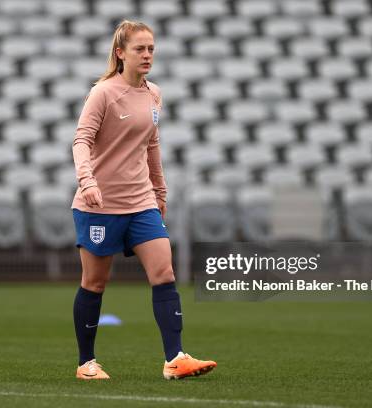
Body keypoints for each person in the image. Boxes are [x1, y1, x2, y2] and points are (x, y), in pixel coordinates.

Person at [71, 20, 217, 380]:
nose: (148, 54)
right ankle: (86, 363)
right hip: (100, 205)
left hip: (142, 203)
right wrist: (87, 181)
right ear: (121, 53)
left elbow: (151, 144)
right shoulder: (103, 93)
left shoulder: (154, 93)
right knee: (95, 283)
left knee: (164, 273)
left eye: (151, 48)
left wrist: (160, 191)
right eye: (140, 49)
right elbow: (81, 141)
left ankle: (175, 358)